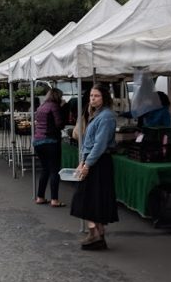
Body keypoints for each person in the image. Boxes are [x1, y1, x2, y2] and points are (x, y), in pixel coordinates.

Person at [71, 84, 118, 250]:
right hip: (93, 160)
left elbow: (99, 144)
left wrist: (87, 164)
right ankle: (97, 234)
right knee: (92, 200)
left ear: (104, 97)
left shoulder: (106, 117)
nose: (92, 99)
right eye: (91, 96)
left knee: (86, 199)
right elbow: (89, 142)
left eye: (96, 96)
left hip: (99, 163)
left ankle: (95, 233)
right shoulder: (97, 114)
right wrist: (82, 161)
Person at [33, 88, 65, 207]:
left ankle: (40, 197)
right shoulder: (54, 106)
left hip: (38, 141)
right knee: (54, 170)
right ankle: (54, 199)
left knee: (45, 169)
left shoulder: (41, 106)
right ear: (58, 96)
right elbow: (59, 124)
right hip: (51, 141)